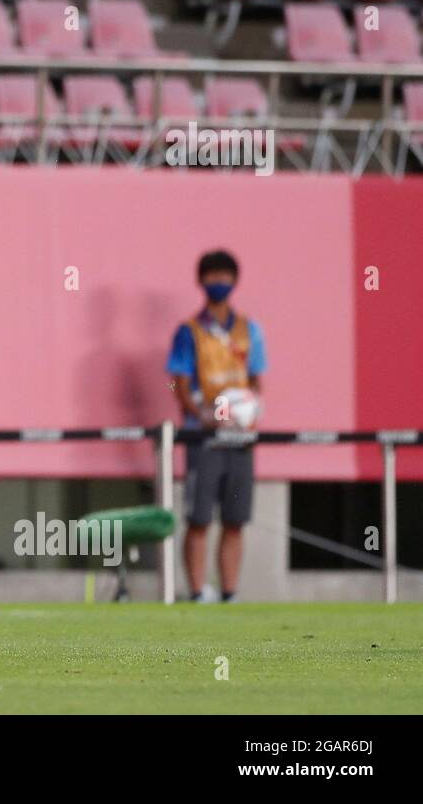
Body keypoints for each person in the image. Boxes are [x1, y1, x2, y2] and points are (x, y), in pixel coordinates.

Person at [166, 250, 267, 603]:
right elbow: (176, 384)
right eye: (211, 276)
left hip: (239, 438)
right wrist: (201, 414)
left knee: (236, 519)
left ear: (235, 281)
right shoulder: (188, 332)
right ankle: (197, 592)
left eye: (224, 275)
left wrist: (250, 410)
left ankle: (229, 592)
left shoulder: (249, 329)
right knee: (198, 517)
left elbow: (256, 380)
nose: (218, 282)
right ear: (200, 281)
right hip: (203, 437)